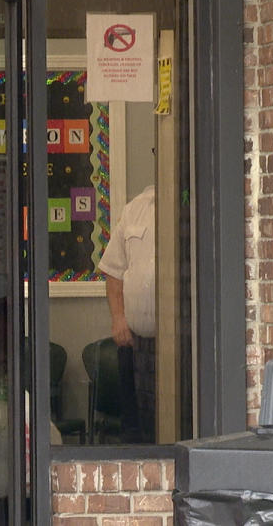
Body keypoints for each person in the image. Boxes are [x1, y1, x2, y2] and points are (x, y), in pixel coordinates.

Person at [97, 184, 156, 442]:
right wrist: (119, 318)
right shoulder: (134, 210)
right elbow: (114, 271)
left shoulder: (193, 205)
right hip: (135, 341)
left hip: (180, 347)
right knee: (136, 431)